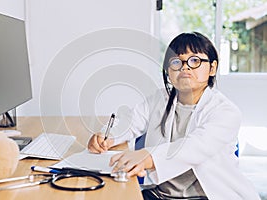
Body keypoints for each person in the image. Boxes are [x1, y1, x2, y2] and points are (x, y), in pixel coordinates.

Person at [87, 32, 260, 199]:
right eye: (176, 62)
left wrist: (148, 157)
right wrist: (108, 136)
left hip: (206, 196)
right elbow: (130, 122)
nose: (185, 67)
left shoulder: (226, 112)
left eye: (194, 60)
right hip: (159, 194)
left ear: (212, 68)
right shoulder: (159, 98)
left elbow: (194, 147)